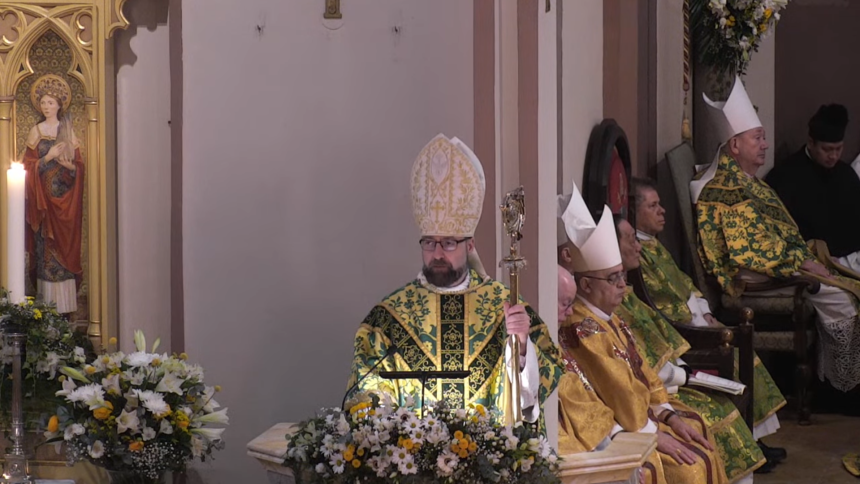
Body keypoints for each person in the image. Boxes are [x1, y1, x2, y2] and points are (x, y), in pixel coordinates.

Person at [347, 134, 563, 425]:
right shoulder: (389, 316)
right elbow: (364, 394)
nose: (437, 253)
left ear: (469, 245)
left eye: (448, 243)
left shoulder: (503, 305)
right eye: (429, 243)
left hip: (488, 461)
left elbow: (538, 389)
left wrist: (523, 345)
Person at [692, 76, 860, 393]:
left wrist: (806, 257)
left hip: (782, 266)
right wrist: (802, 264)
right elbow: (749, 250)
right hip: (754, 277)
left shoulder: (748, 182)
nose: (766, 145)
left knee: (848, 286)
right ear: (735, 145)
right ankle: (839, 388)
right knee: (843, 297)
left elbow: (776, 235)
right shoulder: (725, 190)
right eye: (758, 138)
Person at [558, 182, 727, 484]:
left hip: (639, 418)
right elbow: (618, 389)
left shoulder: (612, 317)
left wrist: (669, 416)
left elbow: (642, 371)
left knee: (698, 433)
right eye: (613, 278)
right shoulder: (583, 328)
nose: (623, 284)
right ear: (585, 286)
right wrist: (656, 433)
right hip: (619, 427)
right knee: (692, 467)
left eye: (622, 275)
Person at [632, 177, 787, 457]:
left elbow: (683, 282)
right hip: (683, 335)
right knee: (738, 357)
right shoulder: (637, 255)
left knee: (745, 353)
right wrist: (700, 323)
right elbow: (661, 304)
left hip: (697, 322)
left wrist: (704, 311)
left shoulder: (653, 244)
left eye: (660, 204)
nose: (662, 211)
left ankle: (757, 440)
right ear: (634, 212)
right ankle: (753, 444)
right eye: (653, 206)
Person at [612, 214, 769, 480]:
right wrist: (680, 379)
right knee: (706, 424)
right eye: (630, 240)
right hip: (639, 407)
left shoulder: (623, 295)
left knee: (718, 407)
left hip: (658, 390)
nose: (638, 246)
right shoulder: (593, 320)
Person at [765, 104, 860, 273]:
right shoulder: (784, 176)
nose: (834, 156)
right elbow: (781, 232)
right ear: (811, 143)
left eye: (839, 149)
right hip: (813, 264)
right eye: (827, 149)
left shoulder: (847, 175)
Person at [24, 74, 85, 315]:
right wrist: (47, 158)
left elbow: (79, 167)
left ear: (60, 105)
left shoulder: (68, 131)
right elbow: (26, 166)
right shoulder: (35, 131)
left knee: (65, 247)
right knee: (45, 250)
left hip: (66, 203)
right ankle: (46, 310)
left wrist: (69, 165)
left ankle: (67, 310)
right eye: (43, 102)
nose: (46, 106)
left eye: (50, 102)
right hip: (43, 203)